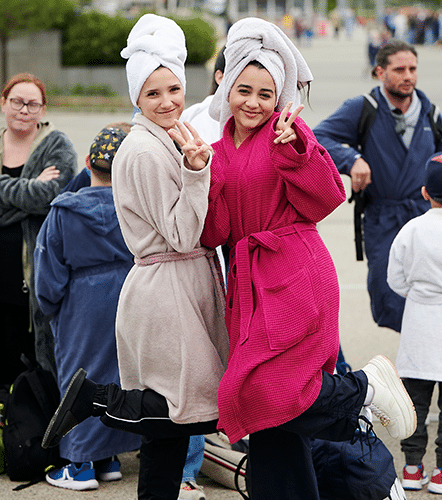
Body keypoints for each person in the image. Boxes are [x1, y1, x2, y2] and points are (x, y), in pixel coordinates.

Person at [42, 18, 416, 500]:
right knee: (263, 418)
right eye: (245, 90)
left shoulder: (288, 134)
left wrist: (299, 152)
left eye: (266, 92)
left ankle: (362, 389)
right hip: (245, 281)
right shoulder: (215, 150)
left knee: (260, 391)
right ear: (225, 87)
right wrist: (197, 171)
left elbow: (326, 199)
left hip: (293, 272)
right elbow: (214, 230)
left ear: (279, 95)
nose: (254, 103)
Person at [34, 125, 141, 491]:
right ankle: (109, 456)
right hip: (128, 294)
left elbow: (47, 274)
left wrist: (51, 308)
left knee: (78, 377)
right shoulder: (135, 208)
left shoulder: (65, 211)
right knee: (117, 374)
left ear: (87, 162)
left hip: (82, 301)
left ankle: (79, 464)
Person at [313, 40, 442, 333]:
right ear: (379, 72)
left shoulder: (431, 115)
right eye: (399, 69)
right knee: (386, 297)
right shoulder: (362, 108)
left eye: (412, 68)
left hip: (425, 217)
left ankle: (421, 362)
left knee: (430, 294)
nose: (408, 75)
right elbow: (318, 136)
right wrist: (352, 158)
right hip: (382, 218)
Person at [0, 73, 76, 401]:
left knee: (35, 361)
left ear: (43, 109)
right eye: (17, 101)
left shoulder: (57, 145)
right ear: (4, 103)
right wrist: (30, 190)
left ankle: (34, 440)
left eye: (32, 104)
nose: (24, 109)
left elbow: (50, 197)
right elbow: (34, 196)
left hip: (34, 279)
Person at [387, 152, 442, 494]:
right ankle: (441, 474)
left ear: (424, 192)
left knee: (415, 403)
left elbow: (395, 278)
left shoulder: (411, 229)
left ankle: (411, 467)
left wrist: (417, 294)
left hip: (419, 326)